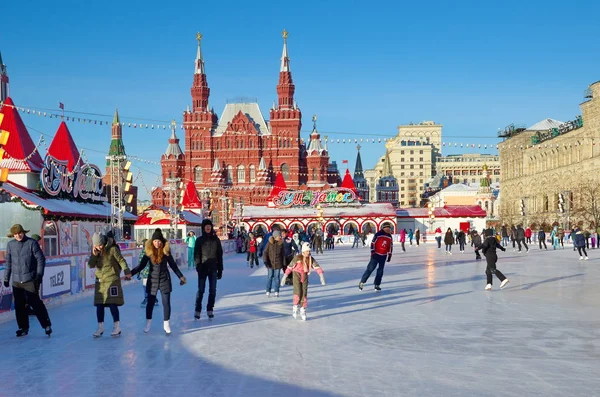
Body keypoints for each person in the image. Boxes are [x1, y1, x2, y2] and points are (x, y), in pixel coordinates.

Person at [131, 228, 186, 335]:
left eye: (159, 241)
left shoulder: (166, 252)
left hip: (164, 279)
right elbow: (141, 265)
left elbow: (173, 265)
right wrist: (131, 273)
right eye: (155, 241)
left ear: (162, 241)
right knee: (150, 303)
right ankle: (148, 322)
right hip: (152, 280)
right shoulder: (149, 252)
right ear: (152, 242)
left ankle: (166, 324)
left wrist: (181, 276)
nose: (157, 243)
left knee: (166, 303)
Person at [3, 224, 52, 338]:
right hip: (16, 281)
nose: (18, 236)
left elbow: (40, 259)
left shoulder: (31, 243)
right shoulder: (10, 245)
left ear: (23, 232)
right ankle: (23, 327)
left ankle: (46, 325)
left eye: (20, 233)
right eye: (15, 234)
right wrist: (6, 277)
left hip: (30, 279)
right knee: (19, 306)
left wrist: (39, 275)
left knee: (36, 304)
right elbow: (9, 263)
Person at [88, 233, 132, 338]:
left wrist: (127, 271)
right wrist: (94, 255)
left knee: (113, 304)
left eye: (100, 245)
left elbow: (121, 260)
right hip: (100, 282)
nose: (98, 247)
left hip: (112, 280)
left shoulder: (112, 249)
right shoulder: (96, 251)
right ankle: (100, 327)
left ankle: (117, 326)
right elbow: (90, 265)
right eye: (96, 245)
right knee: (99, 305)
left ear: (103, 243)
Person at [281, 242, 325, 321]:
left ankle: (303, 309)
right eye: (307, 251)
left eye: (309, 251)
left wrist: (321, 276)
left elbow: (316, 266)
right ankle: (295, 306)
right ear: (303, 251)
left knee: (304, 293)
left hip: (305, 275)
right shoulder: (297, 258)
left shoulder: (310, 259)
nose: (309, 252)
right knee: (298, 292)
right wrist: (285, 276)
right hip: (296, 275)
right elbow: (290, 267)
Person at [193, 219, 223, 320]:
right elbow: (196, 254)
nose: (208, 227)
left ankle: (210, 309)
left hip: (213, 268)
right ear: (203, 228)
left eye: (209, 226)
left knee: (212, 291)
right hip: (203, 268)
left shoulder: (216, 240)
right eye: (206, 226)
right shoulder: (199, 240)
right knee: (201, 290)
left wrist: (220, 269)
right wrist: (198, 265)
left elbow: (220, 255)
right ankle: (198, 310)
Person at [358, 223, 393, 291]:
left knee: (380, 271)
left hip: (383, 256)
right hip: (376, 254)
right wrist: (373, 252)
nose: (388, 229)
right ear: (383, 228)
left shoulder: (389, 236)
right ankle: (362, 282)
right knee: (370, 269)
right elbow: (373, 243)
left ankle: (377, 284)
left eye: (389, 228)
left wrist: (390, 255)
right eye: (387, 228)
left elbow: (390, 246)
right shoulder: (378, 234)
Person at [263, 229, 285, 297]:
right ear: (275, 236)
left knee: (277, 277)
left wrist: (284, 263)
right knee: (270, 277)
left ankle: (276, 291)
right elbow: (265, 252)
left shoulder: (281, 244)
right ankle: (268, 290)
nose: (280, 237)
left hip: (278, 263)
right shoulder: (269, 243)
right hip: (270, 263)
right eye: (279, 236)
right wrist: (265, 261)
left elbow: (283, 254)